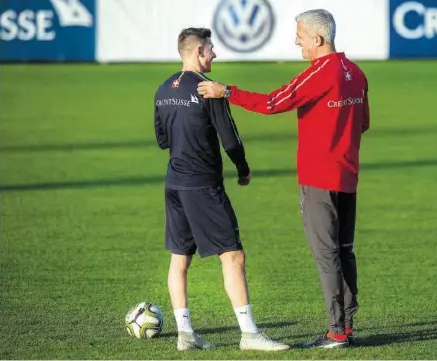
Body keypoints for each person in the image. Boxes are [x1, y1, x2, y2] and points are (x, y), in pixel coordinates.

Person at [197, 9, 370, 349]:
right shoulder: (356, 73)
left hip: (319, 178)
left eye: (301, 36)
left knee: (327, 255)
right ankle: (346, 327)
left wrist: (227, 91)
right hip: (348, 175)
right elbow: (362, 122)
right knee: (345, 252)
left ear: (318, 40)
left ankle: (336, 333)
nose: (296, 42)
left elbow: (274, 102)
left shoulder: (320, 72)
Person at [154, 27, 290, 352]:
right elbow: (230, 139)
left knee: (179, 259)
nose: (215, 55)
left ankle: (185, 334)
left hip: (174, 183)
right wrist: (243, 170)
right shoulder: (208, 90)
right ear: (198, 51)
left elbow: (162, 140)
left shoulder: (162, 90)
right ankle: (250, 334)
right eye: (211, 49)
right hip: (203, 185)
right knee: (233, 256)